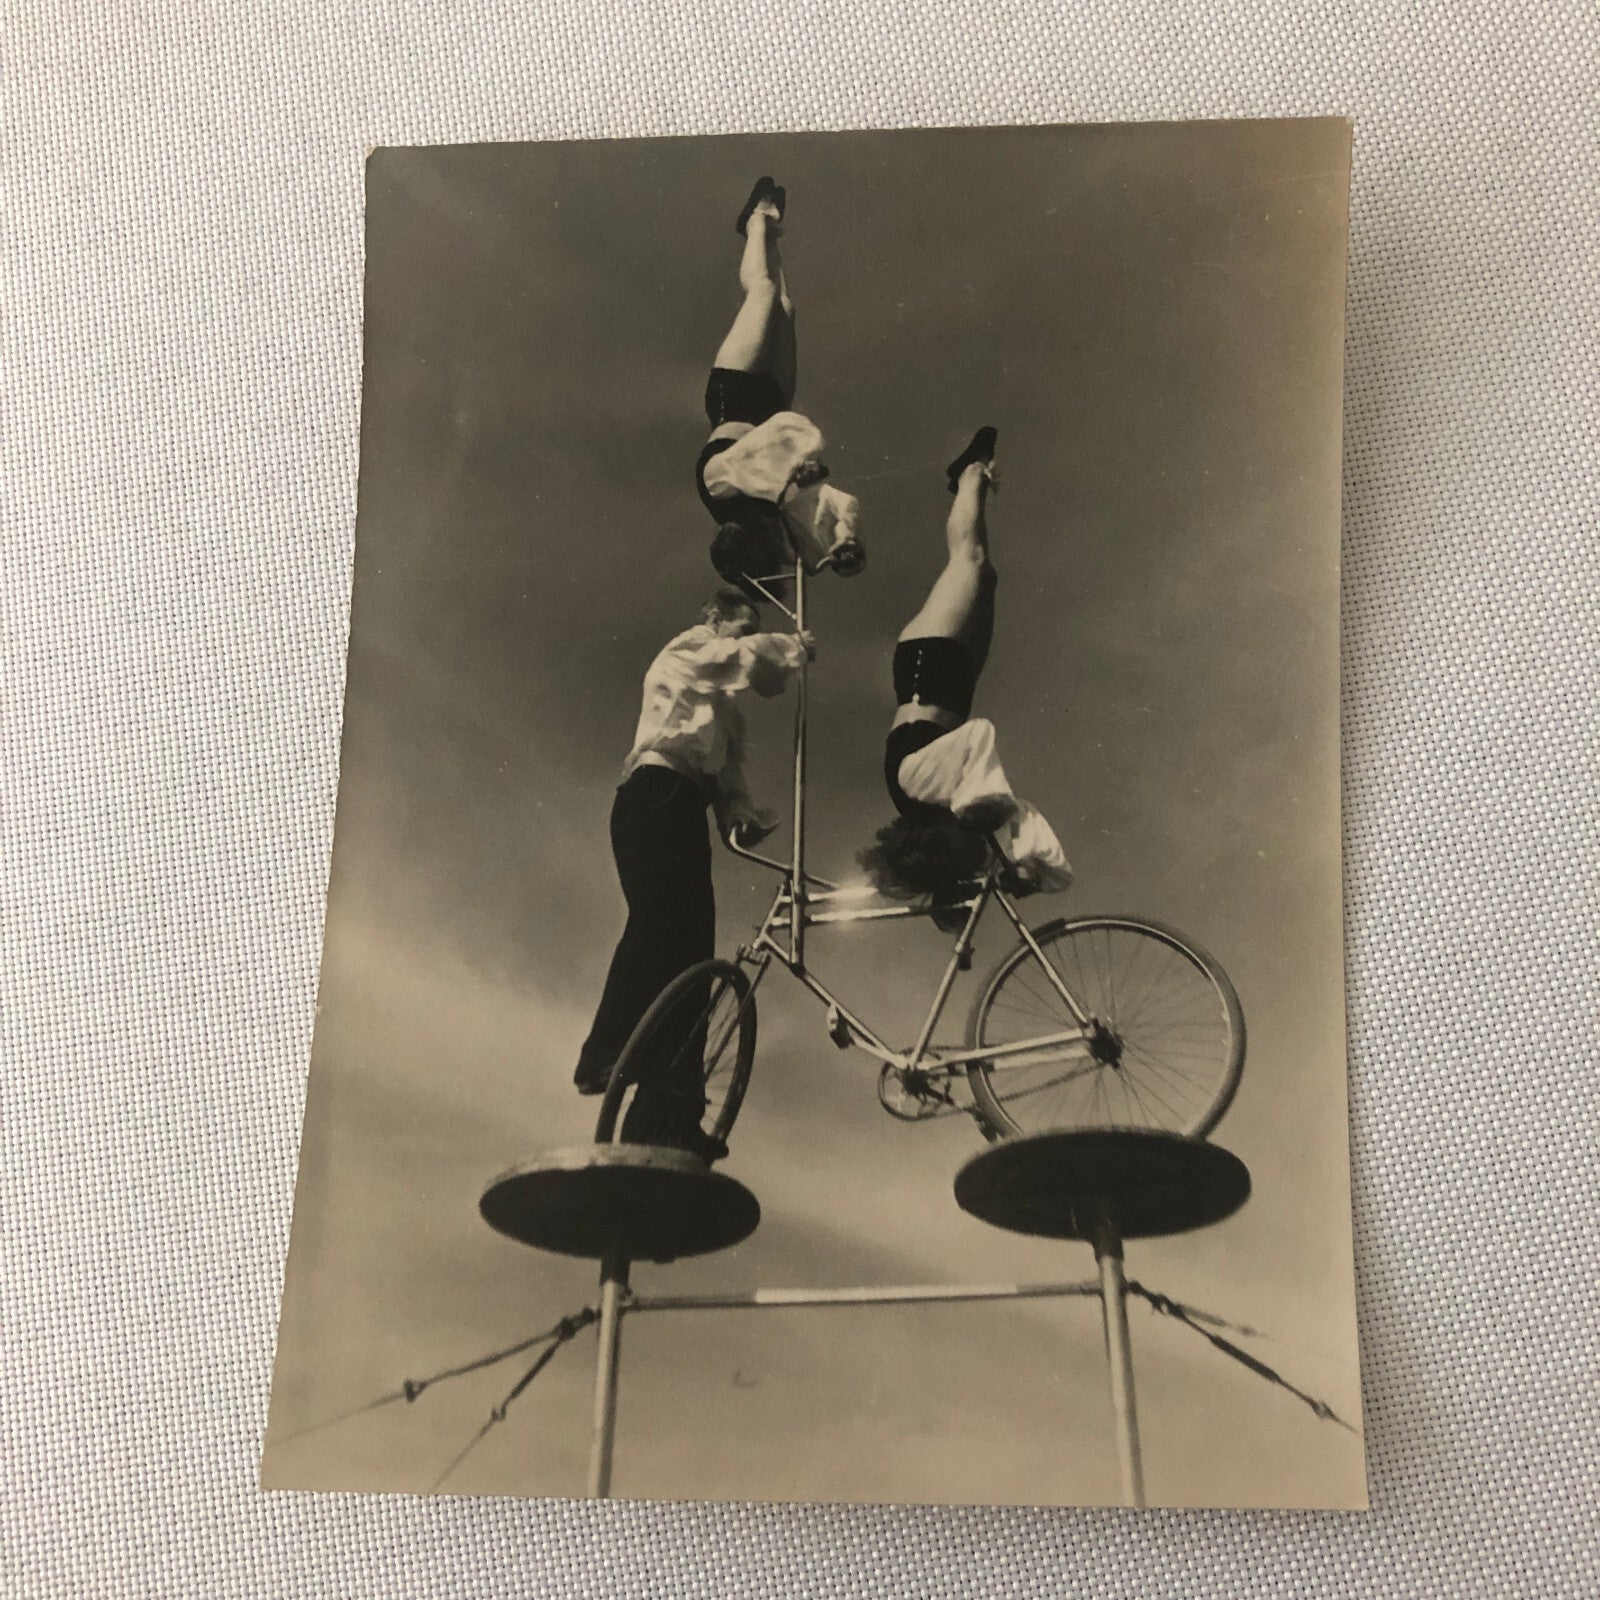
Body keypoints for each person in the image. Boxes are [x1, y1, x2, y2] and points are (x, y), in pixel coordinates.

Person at [574, 587, 810, 1161]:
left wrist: (742, 817)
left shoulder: (722, 713)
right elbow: (739, 659)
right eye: (742, 625)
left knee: (693, 959)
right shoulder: (689, 651)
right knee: (658, 922)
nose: (745, 636)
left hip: (684, 808)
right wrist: (792, 646)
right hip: (652, 794)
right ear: (714, 617)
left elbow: (727, 778)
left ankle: (668, 1117)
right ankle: (607, 1052)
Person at [861, 427, 1072, 903]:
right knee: (985, 575)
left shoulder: (915, 788)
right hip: (954, 684)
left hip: (926, 670)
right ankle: (970, 480)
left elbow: (982, 784)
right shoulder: (950, 809)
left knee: (969, 560)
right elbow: (1009, 816)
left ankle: (969, 473)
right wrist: (1022, 866)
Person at [696, 178, 864, 597]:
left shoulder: (718, 490)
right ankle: (769, 235)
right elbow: (834, 505)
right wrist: (844, 540)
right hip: (771, 403)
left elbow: (758, 454)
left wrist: (795, 467)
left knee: (765, 292)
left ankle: (754, 221)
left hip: (735, 394)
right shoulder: (780, 516)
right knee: (786, 308)